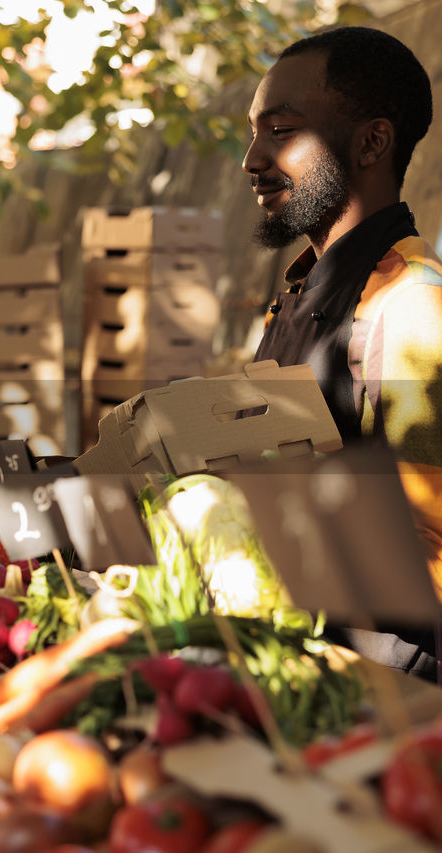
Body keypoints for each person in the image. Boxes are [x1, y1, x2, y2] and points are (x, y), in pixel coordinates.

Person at [244, 26, 442, 677]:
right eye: (254, 132)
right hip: (291, 658)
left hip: (377, 695)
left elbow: (431, 555)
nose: (250, 160)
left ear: (372, 142)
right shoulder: (299, 290)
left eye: (280, 130)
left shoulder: (412, 306)